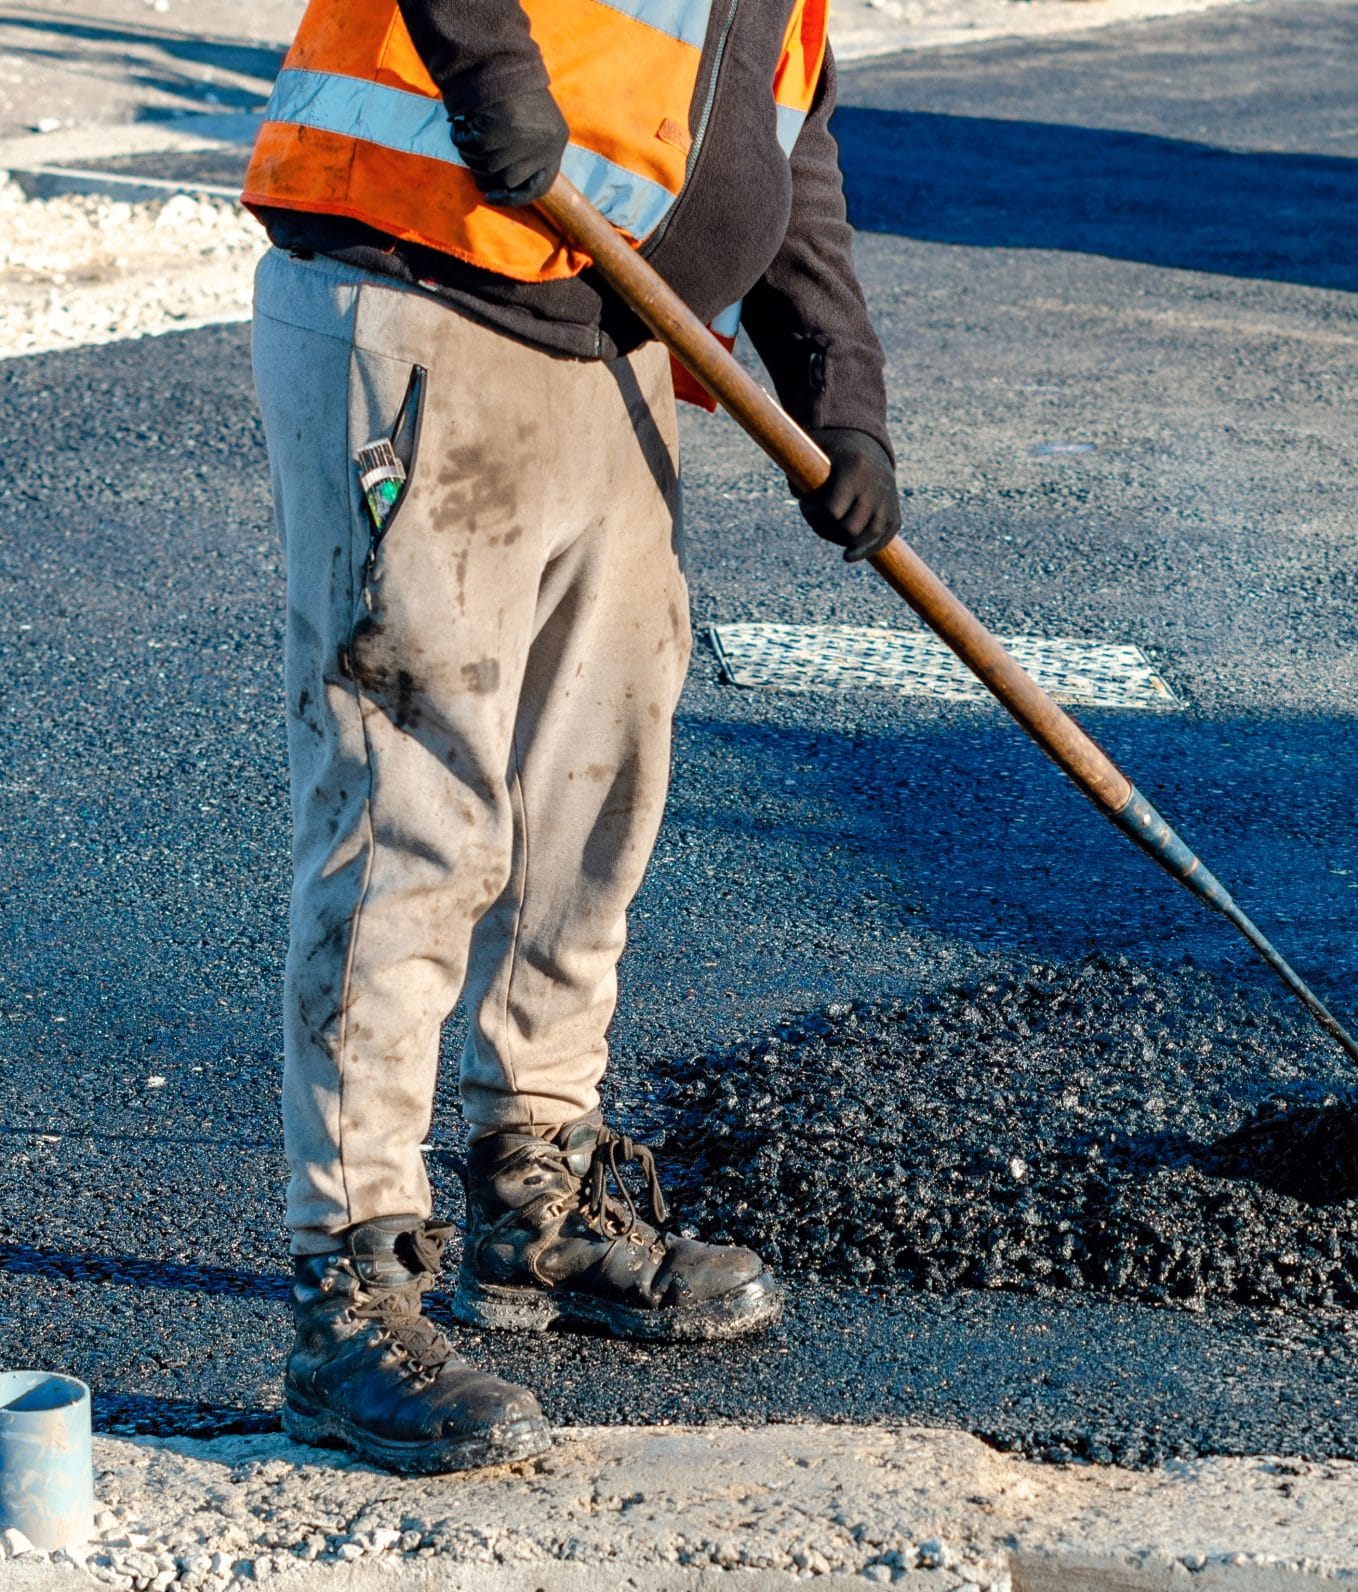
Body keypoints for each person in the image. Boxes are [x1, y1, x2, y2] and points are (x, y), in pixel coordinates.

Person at [240, 0, 896, 1474]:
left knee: (594, 798)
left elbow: (785, 155)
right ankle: (348, 1290)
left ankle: (535, 1200)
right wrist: (488, 75)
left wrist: (844, 406)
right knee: (414, 810)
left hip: (612, 344)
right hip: (424, 295)